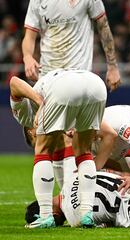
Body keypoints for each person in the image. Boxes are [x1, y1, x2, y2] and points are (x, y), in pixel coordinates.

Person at [9, 69, 107, 228]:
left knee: (43, 151)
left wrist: (40, 102)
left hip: (63, 89)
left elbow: (14, 82)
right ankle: (87, 215)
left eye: (35, 139)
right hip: (96, 85)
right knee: (84, 151)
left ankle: (45, 216)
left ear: (31, 134)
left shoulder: (23, 115)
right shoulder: (59, 120)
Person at [22, 0, 121, 90]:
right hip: (48, 76)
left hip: (80, 75)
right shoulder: (37, 1)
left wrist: (112, 66)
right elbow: (29, 36)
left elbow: (103, 27)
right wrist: (27, 57)